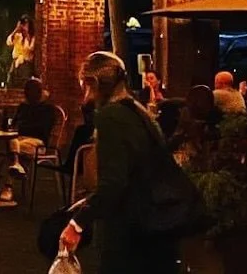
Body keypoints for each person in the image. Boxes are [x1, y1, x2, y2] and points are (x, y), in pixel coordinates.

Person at [61, 51, 180, 273]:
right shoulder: (138, 112)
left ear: (92, 83)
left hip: (129, 228)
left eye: (84, 87)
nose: (85, 98)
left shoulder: (110, 117)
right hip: (155, 224)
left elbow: (114, 182)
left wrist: (77, 224)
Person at [6, 78, 56, 178]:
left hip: (37, 143)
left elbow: (42, 130)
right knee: (12, 142)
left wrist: (21, 128)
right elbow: (14, 124)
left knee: (12, 148)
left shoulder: (48, 109)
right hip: (18, 139)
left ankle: (9, 184)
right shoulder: (23, 107)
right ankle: (18, 166)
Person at [6, 15, 36, 84]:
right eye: (23, 24)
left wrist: (27, 35)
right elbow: (8, 42)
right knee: (12, 83)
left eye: (26, 24)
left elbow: (30, 48)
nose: (24, 26)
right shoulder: (17, 36)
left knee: (24, 83)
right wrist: (16, 30)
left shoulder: (32, 37)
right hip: (15, 62)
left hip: (26, 65)